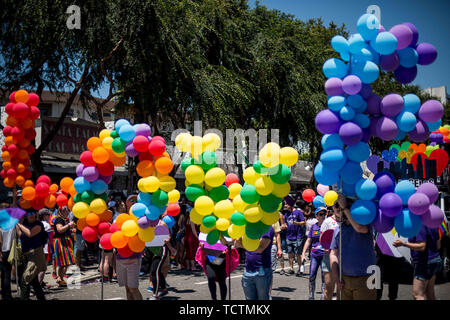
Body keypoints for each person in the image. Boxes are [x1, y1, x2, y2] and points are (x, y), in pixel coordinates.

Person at [330, 194, 377, 300]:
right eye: (336, 206)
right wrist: (336, 278)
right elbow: (333, 254)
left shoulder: (364, 222)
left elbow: (360, 228)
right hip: (344, 279)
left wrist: (345, 208)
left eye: (339, 205)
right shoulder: (338, 230)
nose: (338, 208)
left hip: (367, 277)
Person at [393, 225, 442, 300]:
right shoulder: (433, 223)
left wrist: (403, 244)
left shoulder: (420, 225)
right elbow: (438, 245)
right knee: (430, 294)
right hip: (435, 260)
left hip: (424, 263)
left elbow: (422, 246)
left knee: (417, 295)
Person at [15, 209, 47, 300]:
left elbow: (30, 234)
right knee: (34, 281)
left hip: (35, 254)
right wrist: (17, 222)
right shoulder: (24, 223)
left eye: (33, 213)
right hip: (26, 255)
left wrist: (19, 224)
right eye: (29, 213)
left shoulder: (38, 224)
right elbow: (20, 235)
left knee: (25, 279)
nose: (32, 215)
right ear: (26, 215)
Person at [195, 236, 239, 300]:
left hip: (222, 260)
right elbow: (201, 240)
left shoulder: (225, 232)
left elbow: (232, 242)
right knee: (211, 278)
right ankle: (214, 299)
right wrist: (202, 245)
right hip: (210, 259)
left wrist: (228, 247)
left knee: (222, 281)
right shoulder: (207, 231)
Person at [237, 226, 274, 300]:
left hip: (262, 270)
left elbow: (260, 248)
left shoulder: (267, 228)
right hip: (248, 270)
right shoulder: (247, 227)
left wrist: (242, 245)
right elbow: (236, 244)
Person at [301, 207, 326, 300]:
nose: (323, 216)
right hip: (314, 255)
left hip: (325, 255)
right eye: (320, 214)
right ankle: (311, 296)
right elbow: (308, 240)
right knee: (311, 275)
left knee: (324, 277)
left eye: (324, 214)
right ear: (316, 216)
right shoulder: (314, 227)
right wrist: (303, 253)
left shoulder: (328, 226)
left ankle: (323, 296)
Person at [148, 222, 177, 300]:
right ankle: (164, 289)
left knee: (155, 271)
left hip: (161, 249)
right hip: (151, 249)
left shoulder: (162, 223)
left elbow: (168, 236)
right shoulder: (146, 223)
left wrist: (169, 243)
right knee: (157, 271)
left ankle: (155, 295)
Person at [320, 205, 341, 300]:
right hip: (329, 257)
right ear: (333, 209)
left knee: (342, 288)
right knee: (328, 287)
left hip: (344, 257)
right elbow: (322, 237)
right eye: (336, 207)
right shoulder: (327, 221)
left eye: (341, 208)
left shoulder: (348, 220)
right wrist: (325, 247)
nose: (339, 210)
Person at [52, 206, 76, 287]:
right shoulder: (59, 219)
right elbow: (60, 229)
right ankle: (60, 278)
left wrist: (70, 229)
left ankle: (60, 278)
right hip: (61, 242)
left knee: (65, 262)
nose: (68, 211)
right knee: (64, 262)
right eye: (66, 210)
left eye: (67, 209)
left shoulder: (63, 219)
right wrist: (69, 225)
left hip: (64, 241)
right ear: (61, 211)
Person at [284, 200, 306, 276]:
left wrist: (297, 223)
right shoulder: (286, 213)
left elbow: (303, 222)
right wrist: (284, 226)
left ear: (291, 204)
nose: (285, 205)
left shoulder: (298, 212)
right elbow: (286, 223)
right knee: (290, 253)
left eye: (286, 204)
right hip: (289, 236)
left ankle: (300, 269)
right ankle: (291, 268)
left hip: (297, 236)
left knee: (297, 253)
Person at [0, 202, 14, 300]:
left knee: (3, 274)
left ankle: (4, 295)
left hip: (2, 251)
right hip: (7, 250)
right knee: (6, 275)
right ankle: (7, 296)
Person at [37, 208, 52, 288]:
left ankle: (39, 284)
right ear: (44, 216)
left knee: (38, 268)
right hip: (46, 248)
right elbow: (50, 239)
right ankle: (38, 286)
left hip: (38, 248)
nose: (49, 216)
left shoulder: (38, 223)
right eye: (48, 215)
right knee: (43, 268)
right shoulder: (47, 225)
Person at [269, 220, 283, 298]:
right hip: (257, 246)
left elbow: (278, 235)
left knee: (269, 271)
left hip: (271, 246)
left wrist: (279, 249)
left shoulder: (273, 218)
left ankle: (268, 294)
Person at [278, 210, 287, 275]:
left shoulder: (280, 215)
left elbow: (284, 226)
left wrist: (276, 229)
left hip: (278, 235)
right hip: (269, 234)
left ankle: (282, 268)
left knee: (280, 252)